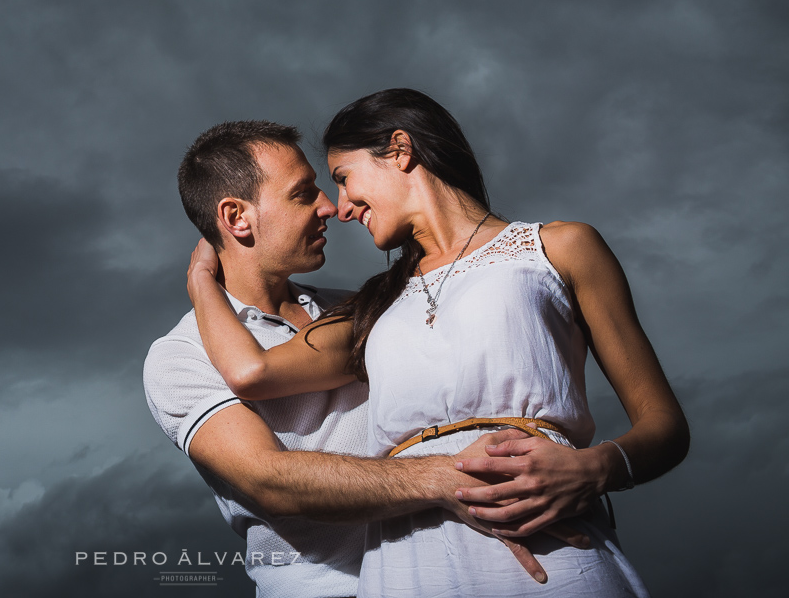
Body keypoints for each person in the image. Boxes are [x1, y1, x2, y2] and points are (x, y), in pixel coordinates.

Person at [186, 90, 691, 597]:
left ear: (400, 150)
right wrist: (202, 278)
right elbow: (253, 373)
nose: (339, 208)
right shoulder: (373, 306)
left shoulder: (560, 248)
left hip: (545, 532)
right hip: (407, 555)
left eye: (342, 179)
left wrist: (596, 467)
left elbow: (665, 426)